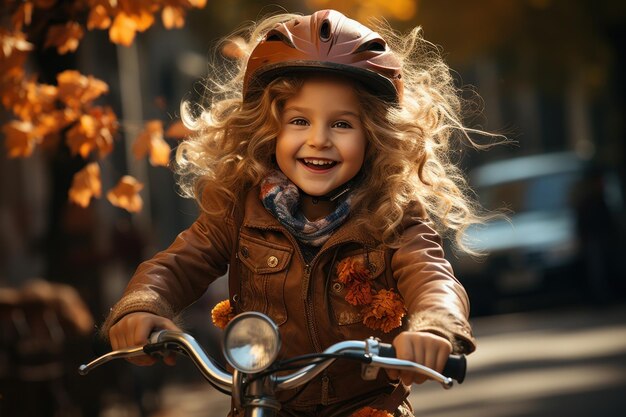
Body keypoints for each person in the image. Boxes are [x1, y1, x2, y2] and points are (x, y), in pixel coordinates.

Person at [103, 9, 488, 417]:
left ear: (375, 136)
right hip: (263, 402)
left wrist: (433, 325)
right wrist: (142, 305)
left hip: (364, 406)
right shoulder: (239, 210)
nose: (318, 140)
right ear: (268, 128)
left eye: (342, 124)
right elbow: (179, 263)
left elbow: (433, 277)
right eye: (299, 121)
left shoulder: (392, 216)